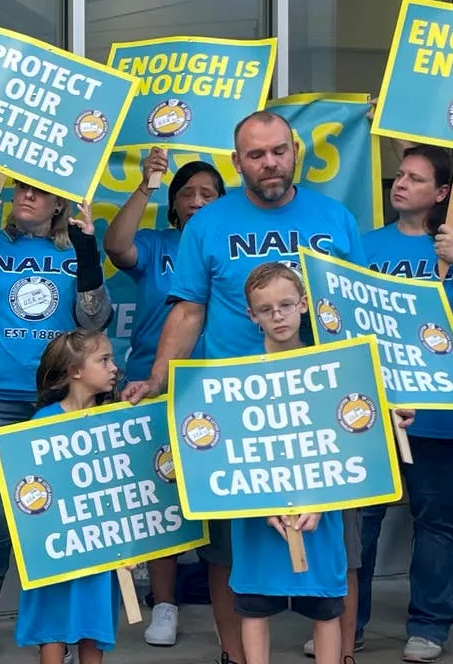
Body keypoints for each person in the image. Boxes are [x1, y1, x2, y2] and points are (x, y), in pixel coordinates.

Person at [123, 111, 366, 664]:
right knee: (228, 550)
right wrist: (159, 378)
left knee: (340, 545)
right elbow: (189, 309)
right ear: (239, 163)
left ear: (294, 151)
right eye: (256, 155)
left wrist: (381, 393)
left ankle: (342, 655)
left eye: (278, 150)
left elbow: (356, 312)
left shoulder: (335, 218)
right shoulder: (209, 224)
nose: (270, 162)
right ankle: (236, 658)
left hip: (325, 406)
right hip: (233, 409)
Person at [0, 180, 111, 664]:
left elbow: (94, 319)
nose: (26, 197)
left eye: (39, 191)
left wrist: (87, 250)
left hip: (58, 402)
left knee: (60, 515)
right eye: (20, 189)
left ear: (59, 202)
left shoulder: (74, 245)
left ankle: (60, 631)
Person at [103, 147, 225, 646]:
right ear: (174, 205)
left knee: (217, 498)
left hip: (217, 386)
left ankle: (231, 611)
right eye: (188, 194)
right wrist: (148, 182)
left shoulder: (228, 243)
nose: (197, 201)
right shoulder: (156, 244)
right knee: (161, 496)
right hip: (153, 383)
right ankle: (166, 603)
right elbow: (115, 245)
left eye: (209, 194)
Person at [337, 144, 452, 664]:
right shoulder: (364, 246)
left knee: (437, 523)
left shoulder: (449, 247)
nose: (399, 184)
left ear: (442, 193)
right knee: (361, 522)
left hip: (439, 414)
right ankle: (348, 624)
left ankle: (429, 624)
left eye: (414, 178)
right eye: (398, 175)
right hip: (372, 412)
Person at [0, 329, 122, 664]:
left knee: (93, 628)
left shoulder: (112, 421)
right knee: (51, 627)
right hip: (55, 549)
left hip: (99, 548)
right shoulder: (43, 421)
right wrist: (0, 459)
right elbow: (27, 481)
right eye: (104, 360)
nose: (114, 367)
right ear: (75, 371)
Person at [233, 263, 347, 664]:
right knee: (253, 604)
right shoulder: (235, 375)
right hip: (256, 510)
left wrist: (320, 499)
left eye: (285, 304)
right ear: (251, 315)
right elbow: (232, 450)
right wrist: (262, 504)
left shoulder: (332, 365)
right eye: (265, 309)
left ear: (303, 304)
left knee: (326, 604)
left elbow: (346, 441)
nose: (277, 315)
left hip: (322, 505)